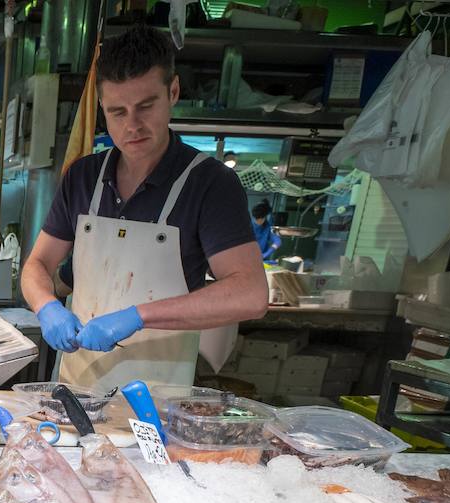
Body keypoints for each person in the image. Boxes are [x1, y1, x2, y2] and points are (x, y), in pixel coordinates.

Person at [20, 23, 267, 390]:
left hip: (160, 397)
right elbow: (37, 265)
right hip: (77, 387)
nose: (132, 125)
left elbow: (251, 294)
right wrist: (47, 306)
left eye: (146, 106)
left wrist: (139, 316)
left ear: (173, 92)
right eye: (117, 112)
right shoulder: (82, 177)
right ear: (102, 109)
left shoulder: (210, 183)